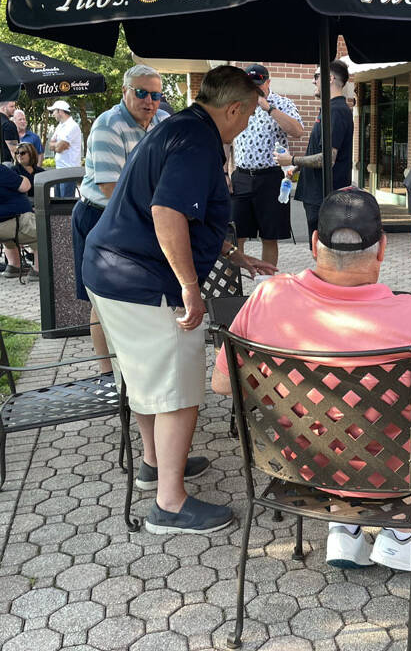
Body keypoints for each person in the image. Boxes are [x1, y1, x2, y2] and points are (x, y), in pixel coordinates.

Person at [212, 187, 411, 570]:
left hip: (297, 463)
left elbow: (223, 384)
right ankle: (398, 537)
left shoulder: (266, 298)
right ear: (384, 248)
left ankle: (345, 530)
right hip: (393, 473)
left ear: (315, 241)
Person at [82, 66, 275, 535]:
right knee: (177, 391)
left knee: (146, 379)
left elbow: (186, 211)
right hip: (143, 279)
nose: (248, 124)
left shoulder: (178, 125)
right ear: (234, 108)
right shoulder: (197, 141)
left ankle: (153, 465)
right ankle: (169, 504)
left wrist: (230, 253)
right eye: (248, 115)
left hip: (109, 268)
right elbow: (167, 212)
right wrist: (191, 287)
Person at [72, 64, 169, 376]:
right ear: (125, 92)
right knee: (101, 298)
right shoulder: (107, 126)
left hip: (143, 215)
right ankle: (106, 373)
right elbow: (111, 188)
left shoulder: (165, 122)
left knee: (140, 292)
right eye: (141, 93)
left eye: (155, 95)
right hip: (102, 216)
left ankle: (139, 367)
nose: (149, 101)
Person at [229, 64, 303, 267]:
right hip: (241, 176)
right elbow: (226, 139)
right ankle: (234, 287)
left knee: (270, 236)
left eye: (258, 86)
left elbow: (297, 131)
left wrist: (268, 108)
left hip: (271, 177)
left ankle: (267, 286)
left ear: (268, 82)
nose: (253, 90)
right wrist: (224, 173)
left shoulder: (283, 103)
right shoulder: (236, 104)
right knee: (235, 235)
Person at [277, 60, 353, 244]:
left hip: (325, 197)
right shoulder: (330, 109)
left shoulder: (336, 111)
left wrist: (293, 159)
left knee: (325, 252)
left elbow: (328, 159)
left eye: (316, 76)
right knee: (320, 251)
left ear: (330, 78)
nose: (313, 81)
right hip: (318, 195)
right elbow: (321, 152)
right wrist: (296, 168)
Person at [0, 163, 39, 279]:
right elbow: (25, 186)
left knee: (12, 230)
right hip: (10, 221)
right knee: (43, 228)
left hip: (6, 223)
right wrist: (24, 177)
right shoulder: (2, 170)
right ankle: (39, 270)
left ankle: (14, 266)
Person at [47, 99, 81, 198]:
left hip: (69, 172)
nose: (53, 114)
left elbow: (59, 148)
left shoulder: (72, 126)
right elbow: (51, 145)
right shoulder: (60, 126)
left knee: (65, 204)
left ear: (60, 111)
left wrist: (57, 145)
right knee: (59, 203)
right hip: (60, 170)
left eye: (54, 111)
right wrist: (57, 145)